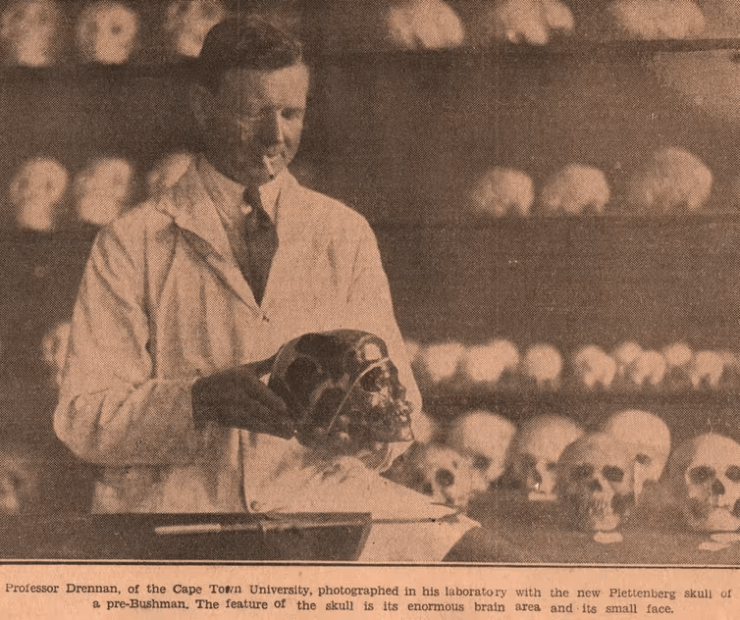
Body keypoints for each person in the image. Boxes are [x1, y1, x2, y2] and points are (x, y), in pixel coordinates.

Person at [54, 17, 520, 562]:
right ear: (205, 107)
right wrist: (198, 401)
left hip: (319, 501)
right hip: (182, 512)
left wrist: (370, 432)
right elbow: (83, 419)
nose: (276, 136)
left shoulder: (341, 232)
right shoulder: (132, 241)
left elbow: (402, 404)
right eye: (253, 111)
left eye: (291, 113)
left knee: (495, 566)